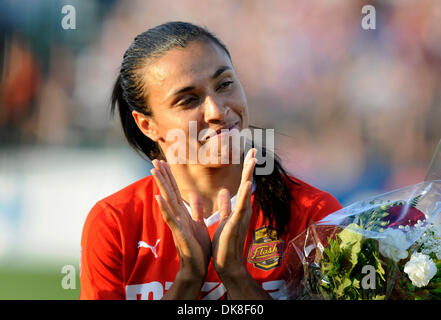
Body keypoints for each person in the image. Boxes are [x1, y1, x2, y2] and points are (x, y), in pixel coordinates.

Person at [79, 21, 342, 300]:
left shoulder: (315, 215)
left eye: (225, 84)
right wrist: (189, 277)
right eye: (188, 100)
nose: (217, 110)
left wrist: (235, 275)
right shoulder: (115, 223)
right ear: (147, 125)